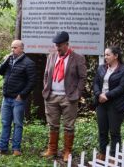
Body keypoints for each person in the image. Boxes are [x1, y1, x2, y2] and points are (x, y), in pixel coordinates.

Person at [42, 31, 87, 162]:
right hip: (51, 97)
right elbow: (46, 75)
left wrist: (77, 93)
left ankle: (67, 151)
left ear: (67, 44)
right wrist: (46, 89)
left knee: (69, 126)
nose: (57, 48)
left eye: (60, 45)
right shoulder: (51, 56)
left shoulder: (78, 58)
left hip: (69, 98)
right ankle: (52, 149)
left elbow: (82, 77)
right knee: (52, 125)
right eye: (56, 45)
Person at [0, 40, 36, 156]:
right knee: (5, 123)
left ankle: (16, 149)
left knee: (18, 124)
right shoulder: (9, 60)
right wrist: (5, 60)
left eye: (15, 48)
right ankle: (2, 148)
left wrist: (22, 95)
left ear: (22, 49)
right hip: (6, 98)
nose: (12, 50)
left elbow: (32, 82)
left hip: (18, 99)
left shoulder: (29, 63)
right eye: (12, 47)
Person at [93, 46, 124, 161]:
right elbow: (95, 84)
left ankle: (114, 157)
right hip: (101, 103)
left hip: (116, 104)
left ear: (116, 56)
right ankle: (103, 153)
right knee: (102, 131)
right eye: (105, 55)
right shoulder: (101, 68)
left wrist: (107, 95)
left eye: (108, 55)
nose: (105, 57)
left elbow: (122, 87)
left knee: (114, 132)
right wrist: (99, 94)